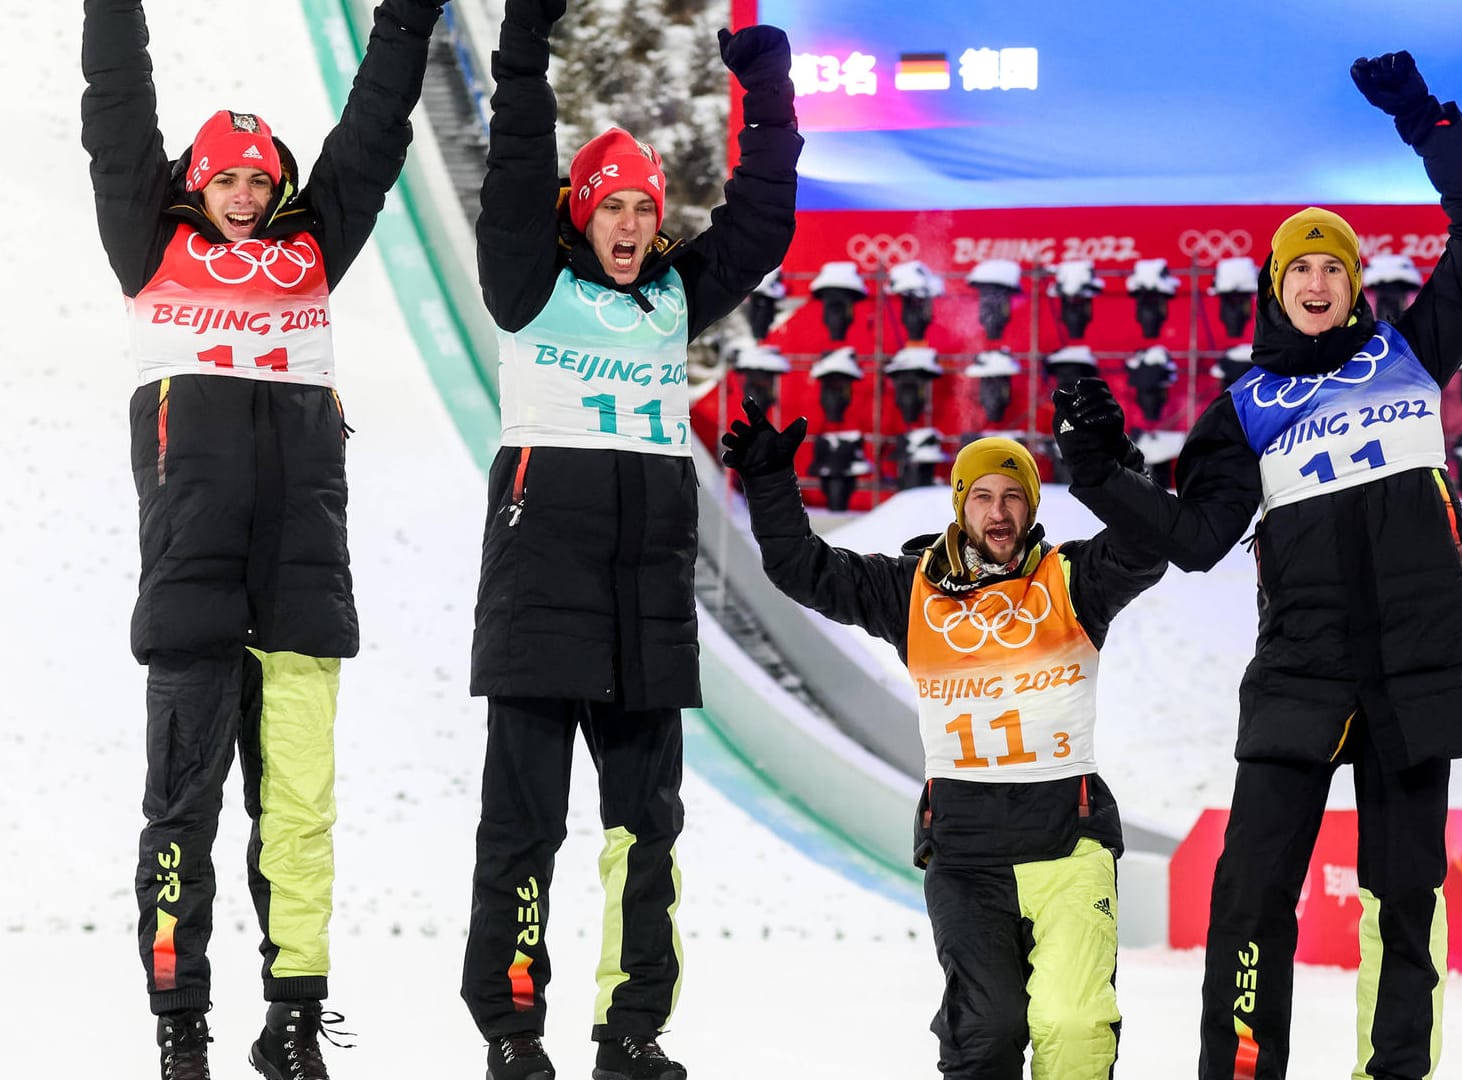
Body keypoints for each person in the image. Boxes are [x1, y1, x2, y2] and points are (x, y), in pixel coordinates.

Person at [1051, 51, 1462, 1080]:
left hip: (1413, 667)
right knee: (1250, 892)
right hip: (1302, 674)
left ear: (1355, 283)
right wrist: (1095, 468)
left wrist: (1425, 124)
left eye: (1333, 265)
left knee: (1406, 896)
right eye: (1299, 266)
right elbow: (1194, 539)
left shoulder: (1411, 351)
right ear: (1276, 286)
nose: (1316, 279)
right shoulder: (1244, 411)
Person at [80, 0, 447, 1076]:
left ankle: (291, 1022)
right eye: (225, 179)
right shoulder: (149, 246)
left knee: (299, 823)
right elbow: (116, 110)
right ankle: (180, 1025)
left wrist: (406, 24)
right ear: (197, 185)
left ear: (277, 189)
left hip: (300, 593)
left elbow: (373, 135)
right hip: (191, 594)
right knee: (180, 821)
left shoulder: (312, 253)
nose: (242, 197)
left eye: (257, 181)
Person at [458, 4, 801, 1079]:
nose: (628, 226)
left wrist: (768, 93)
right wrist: (523, 49)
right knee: (523, 829)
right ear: (580, 214)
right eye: (609, 208)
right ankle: (513, 1027)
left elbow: (763, 220)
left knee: (643, 835)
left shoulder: (672, 299)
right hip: (538, 587)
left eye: (643, 212)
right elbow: (513, 163)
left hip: (646, 606)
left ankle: (631, 1030)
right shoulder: (530, 287)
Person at [722, 407, 1166, 1080]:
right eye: (983, 495)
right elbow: (804, 570)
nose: (999, 510)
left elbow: (1147, 544)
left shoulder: (1073, 581)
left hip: (1067, 847)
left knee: (1072, 1029)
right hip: (967, 856)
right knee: (985, 1033)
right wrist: (768, 480)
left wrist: (1115, 464)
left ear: (1033, 507)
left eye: (1014, 495)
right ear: (961, 507)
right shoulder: (913, 590)